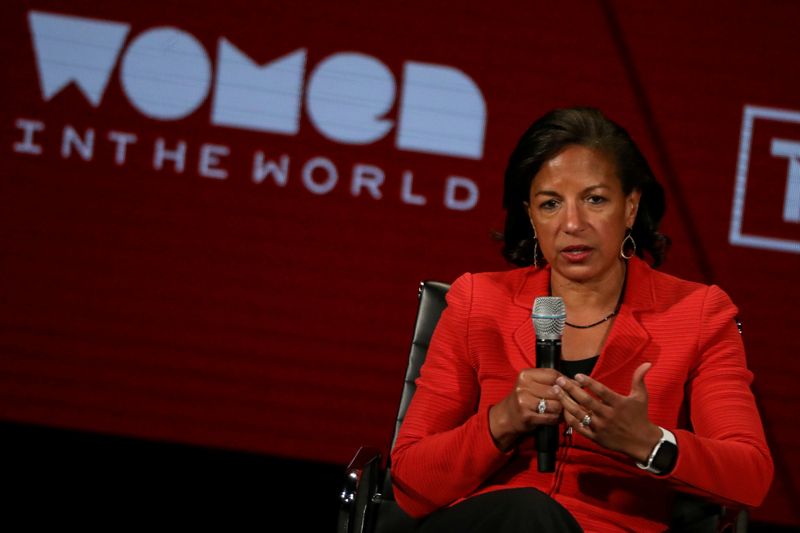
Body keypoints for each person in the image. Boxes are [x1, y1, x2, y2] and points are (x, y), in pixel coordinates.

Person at [390, 107, 773, 532]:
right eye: (550, 204)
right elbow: (409, 479)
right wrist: (504, 420)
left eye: (595, 199)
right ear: (532, 216)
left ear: (630, 207)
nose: (573, 224)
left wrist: (646, 442)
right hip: (487, 521)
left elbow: (750, 477)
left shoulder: (698, 314)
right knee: (527, 511)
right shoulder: (478, 301)